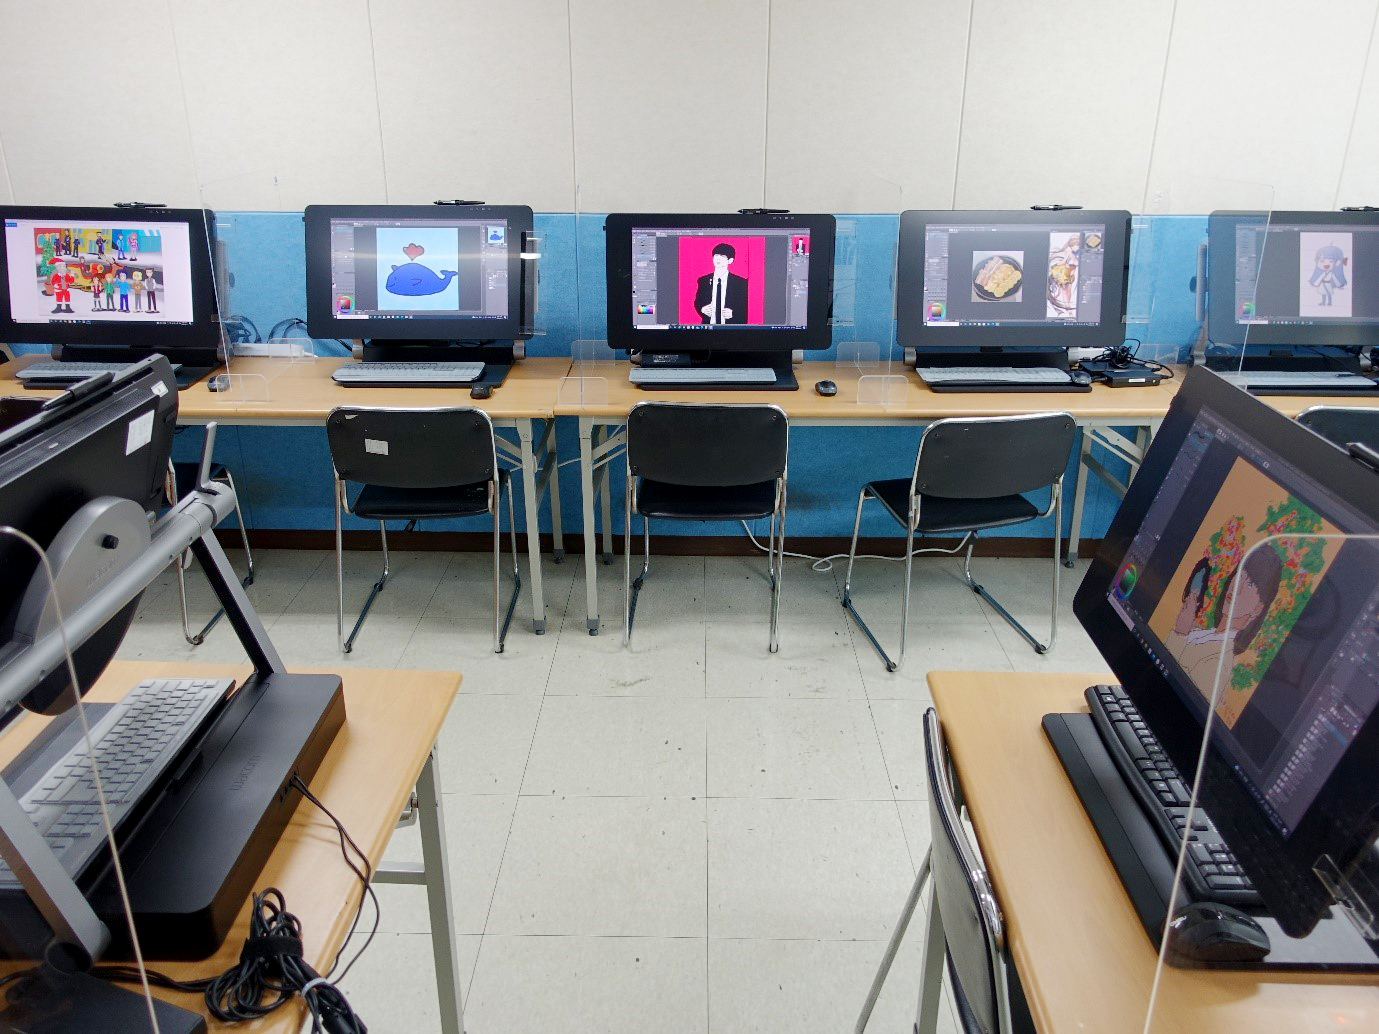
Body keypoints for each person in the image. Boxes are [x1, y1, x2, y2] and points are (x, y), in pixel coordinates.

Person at [1174, 545, 1283, 701]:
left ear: (1258, 608)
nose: (1237, 587)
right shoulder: (1202, 633)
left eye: (1250, 584)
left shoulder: (1219, 665)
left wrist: (1179, 633)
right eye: (1240, 576)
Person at [693, 242, 748, 325]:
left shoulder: (740, 283)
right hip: (708, 327)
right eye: (716, 255)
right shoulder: (703, 281)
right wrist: (702, 309)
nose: (718, 258)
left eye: (722, 256)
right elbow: (698, 302)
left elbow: (746, 306)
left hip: (732, 328)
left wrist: (734, 313)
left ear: (730, 260)